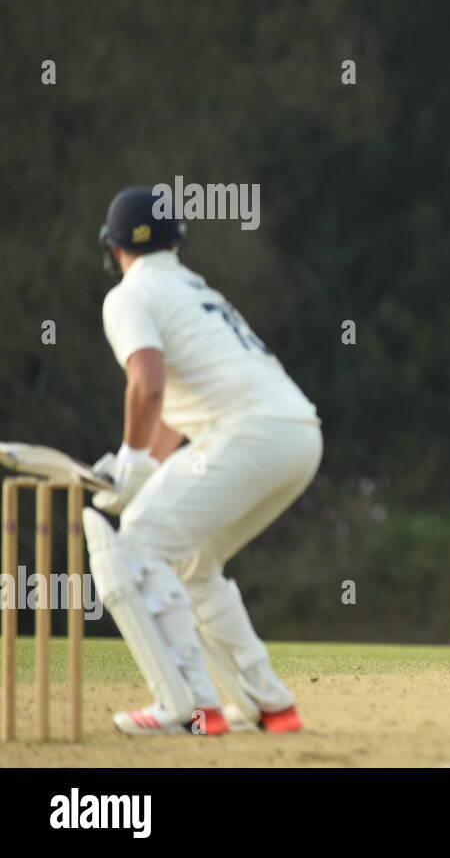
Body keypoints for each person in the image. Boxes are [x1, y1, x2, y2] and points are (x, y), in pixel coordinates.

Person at [85, 185, 323, 735]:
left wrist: (131, 460)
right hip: (297, 432)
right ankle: (270, 704)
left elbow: (147, 386)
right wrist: (141, 466)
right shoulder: (195, 290)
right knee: (194, 563)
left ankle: (188, 707)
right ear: (178, 241)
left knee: (137, 544)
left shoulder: (128, 296)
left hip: (250, 433)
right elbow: (172, 403)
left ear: (113, 247)